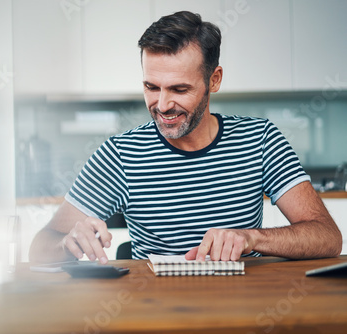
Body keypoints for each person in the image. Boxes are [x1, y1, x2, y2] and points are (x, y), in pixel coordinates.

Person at [29, 11, 342, 264]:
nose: (163, 105)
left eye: (179, 89)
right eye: (152, 87)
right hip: (153, 310)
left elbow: (327, 236)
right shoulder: (120, 155)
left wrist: (251, 238)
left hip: (246, 304)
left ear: (214, 80)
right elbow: (40, 248)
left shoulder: (260, 139)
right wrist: (66, 245)